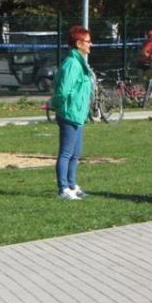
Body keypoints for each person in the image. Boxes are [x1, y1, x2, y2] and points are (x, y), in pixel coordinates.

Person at [50, 26, 93, 200]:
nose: (90, 44)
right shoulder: (72, 64)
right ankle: (63, 189)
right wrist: (56, 106)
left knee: (75, 154)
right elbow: (63, 91)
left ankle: (72, 185)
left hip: (78, 114)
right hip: (69, 114)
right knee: (66, 153)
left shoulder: (80, 62)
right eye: (88, 41)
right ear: (78, 43)